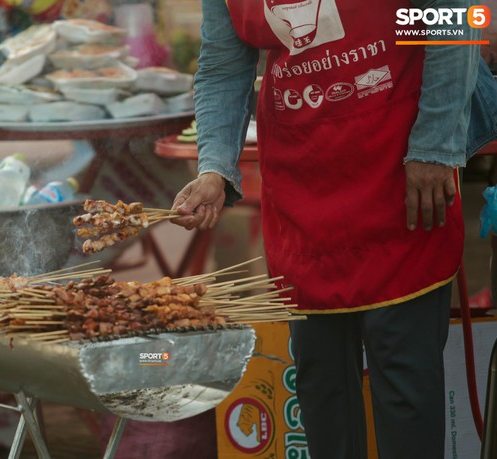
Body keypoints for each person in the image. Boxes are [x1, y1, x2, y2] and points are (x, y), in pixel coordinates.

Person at [171, 0, 497, 458]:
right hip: (301, 188)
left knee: (406, 388)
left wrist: (435, 145)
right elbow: (224, 68)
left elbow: (454, 20)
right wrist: (214, 168)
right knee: (321, 386)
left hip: (401, 171)